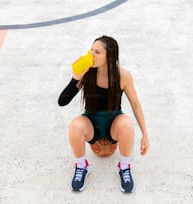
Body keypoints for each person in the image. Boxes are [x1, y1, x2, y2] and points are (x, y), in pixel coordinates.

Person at [58, 35, 149, 193]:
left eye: (97, 52)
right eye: (92, 50)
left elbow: (135, 103)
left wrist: (145, 134)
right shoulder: (87, 73)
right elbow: (62, 101)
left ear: (110, 56)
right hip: (91, 124)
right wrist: (75, 77)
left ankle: (124, 166)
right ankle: (81, 166)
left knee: (127, 123)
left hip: (114, 124)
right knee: (75, 126)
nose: (91, 55)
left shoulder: (123, 76)